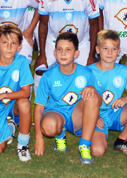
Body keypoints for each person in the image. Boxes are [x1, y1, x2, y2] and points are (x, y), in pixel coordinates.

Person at [33, 32, 102, 164]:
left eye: (68, 50)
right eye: (60, 49)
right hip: (56, 112)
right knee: (48, 126)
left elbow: (98, 101)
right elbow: (39, 108)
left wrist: (93, 90)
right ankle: (60, 137)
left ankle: (84, 145)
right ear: (55, 52)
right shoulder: (48, 76)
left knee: (92, 96)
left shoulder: (86, 73)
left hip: (77, 115)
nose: (63, 53)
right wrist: (39, 138)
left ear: (76, 54)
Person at [35, 0, 99, 81]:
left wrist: (91, 54)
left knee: (92, 73)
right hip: (54, 41)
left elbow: (94, 24)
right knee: (40, 71)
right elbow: (43, 24)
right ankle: (41, 99)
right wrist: (42, 54)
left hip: (81, 43)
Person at [89, 30, 127, 156]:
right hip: (96, 115)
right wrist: (93, 117)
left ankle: (121, 140)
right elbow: (81, 101)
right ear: (97, 50)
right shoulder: (88, 71)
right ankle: (91, 134)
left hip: (116, 113)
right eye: (105, 48)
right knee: (97, 151)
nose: (110, 52)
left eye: (114, 48)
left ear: (119, 51)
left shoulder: (123, 70)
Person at [0, 25, 34, 161]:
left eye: (14, 43)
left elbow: (26, 92)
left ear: (19, 46)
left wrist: (3, 95)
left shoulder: (22, 62)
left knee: (25, 103)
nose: (9, 47)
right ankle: (10, 128)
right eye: (5, 43)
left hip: (14, 104)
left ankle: (22, 144)